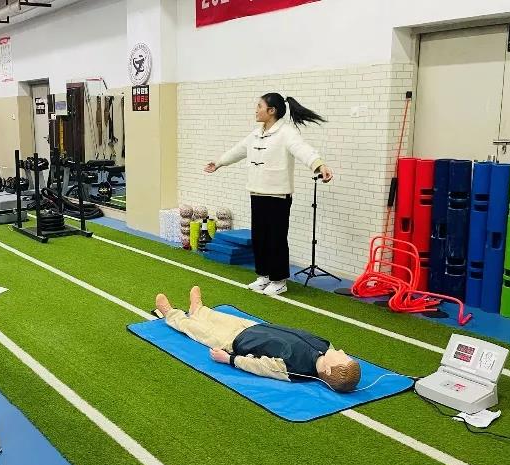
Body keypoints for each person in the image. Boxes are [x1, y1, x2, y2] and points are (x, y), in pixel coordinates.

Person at [204, 93, 333, 296]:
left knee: (276, 239)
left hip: (278, 197)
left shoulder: (286, 133)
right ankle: (263, 275)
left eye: (259, 106)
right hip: (257, 194)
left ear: (271, 111)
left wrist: (319, 165)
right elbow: (238, 150)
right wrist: (219, 163)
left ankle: (279, 280)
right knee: (259, 238)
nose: (256, 110)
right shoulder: (256, 134)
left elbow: (303, 150)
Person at [155, 286, 361, 392]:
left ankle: (172, 314)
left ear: (327, 370)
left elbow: (260, 366)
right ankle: (198, 310)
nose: (342, 352)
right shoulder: (326, 346)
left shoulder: (294, 369)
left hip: (235, 342)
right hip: (255, 328)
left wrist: (229, 359)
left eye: (342, 357)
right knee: (219, 317)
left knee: (198, 330)